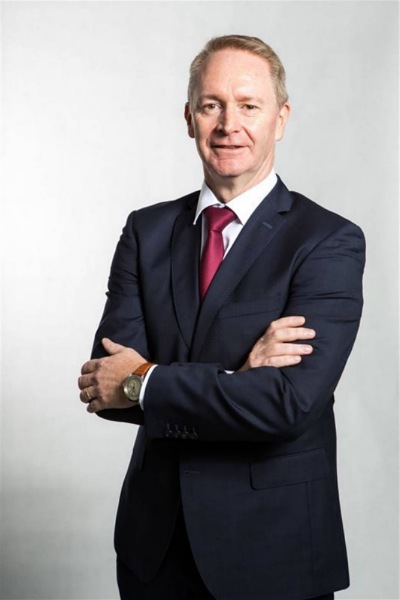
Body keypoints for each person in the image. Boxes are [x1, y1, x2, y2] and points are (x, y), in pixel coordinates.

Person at [78, 35, 365, 600]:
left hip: (272, 549)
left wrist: (149, 380)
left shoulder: (327, 241)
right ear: (190, 119)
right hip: (154, 549)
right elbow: (106, 386)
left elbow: (287, 403)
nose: (229, 124)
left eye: (249, 105)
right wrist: (239, 376)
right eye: (212, 105)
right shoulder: (146, 231)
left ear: (281, 119)